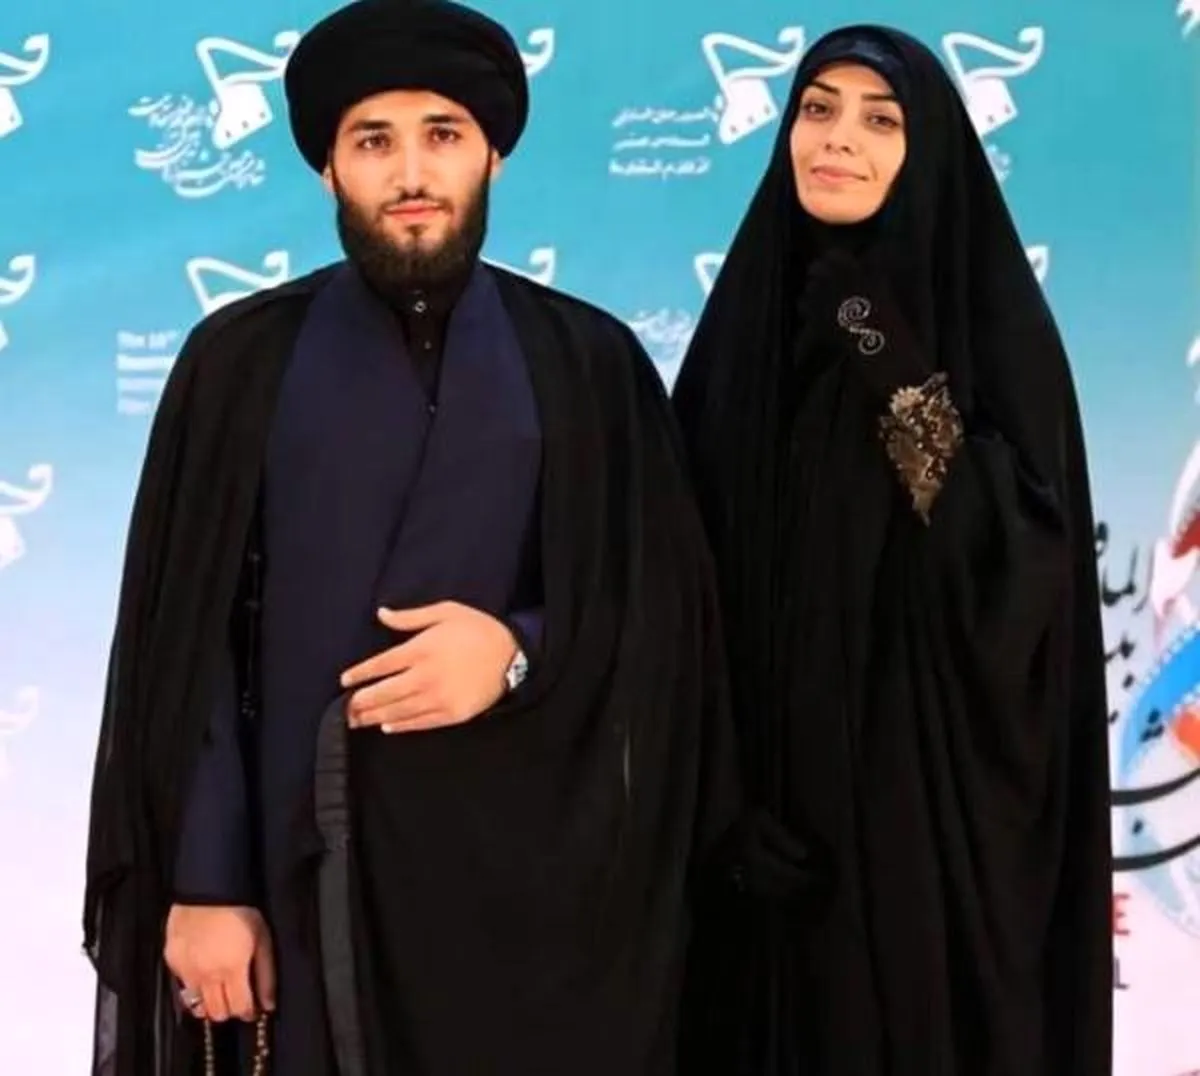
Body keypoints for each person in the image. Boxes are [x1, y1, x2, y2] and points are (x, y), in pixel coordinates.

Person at [81, 2, 734, 1073]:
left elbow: (665, 623)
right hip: (296, 884)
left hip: (539, 897)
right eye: (374, 141)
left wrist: (519, 649)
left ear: (492, 155)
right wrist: (207, 882)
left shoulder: (591, 363)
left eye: (443, 134)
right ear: (329, 170)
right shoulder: (238, 363)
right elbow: (186, 647)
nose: (412, 172)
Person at [672, 25, 1111, 1076]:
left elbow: (1009, 574)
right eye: (817, 109)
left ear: (931, 153)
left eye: (881, 120)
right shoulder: (742, 340)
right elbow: (678, 596)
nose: (837, 139)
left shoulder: (993, 337)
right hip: (759, 854)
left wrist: (879, 344)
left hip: (923, 845)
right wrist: (719, 805)